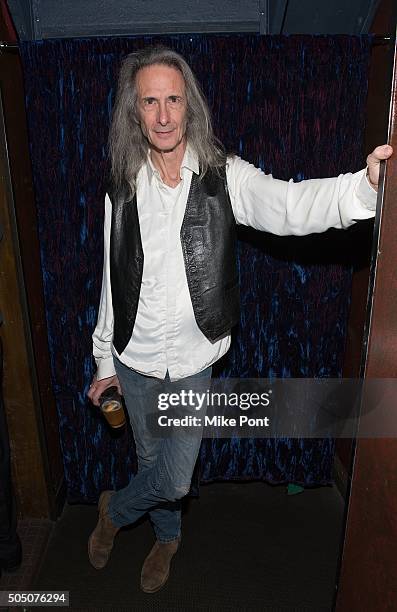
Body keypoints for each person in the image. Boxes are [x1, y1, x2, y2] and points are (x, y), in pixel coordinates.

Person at [87, 45, 392, 593]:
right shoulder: (122, 185)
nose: (162, 115)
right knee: (150, 457)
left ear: (190, 107)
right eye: (150, 102)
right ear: (134, 112)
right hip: (131, 359)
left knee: (176, 479)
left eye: (173, 100)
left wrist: (362, 188)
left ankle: (114, 510)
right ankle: (166, 538)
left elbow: (289, 206)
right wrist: (103, 360)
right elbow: (112, 279)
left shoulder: (224, 177)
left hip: (192, 360)